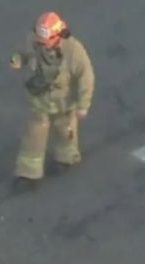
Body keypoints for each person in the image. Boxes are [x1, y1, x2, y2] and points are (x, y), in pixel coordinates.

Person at [9, 11, 95, 181]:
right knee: (34, 133)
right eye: (42, 42)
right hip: (40, 98)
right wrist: (16, 60)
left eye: (48, 42)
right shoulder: (33, 40)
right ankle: (28, 172)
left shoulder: (73, 51)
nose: (44, 46)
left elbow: (86, 77)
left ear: (59, 35)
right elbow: (22, 52)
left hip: (63, 102)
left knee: (64, 130)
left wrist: (83, 105)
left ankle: (66, 157)